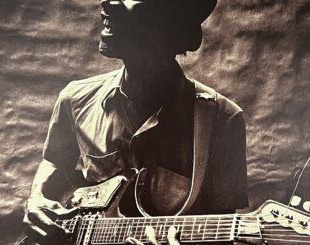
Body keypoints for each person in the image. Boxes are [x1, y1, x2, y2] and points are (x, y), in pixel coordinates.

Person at [23, 0, 248, 244]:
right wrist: (37, 198)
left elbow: (221, 231)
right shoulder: (74, 99)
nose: (108, 3)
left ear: (171, 26)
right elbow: (53, 160)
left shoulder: (222, 119)